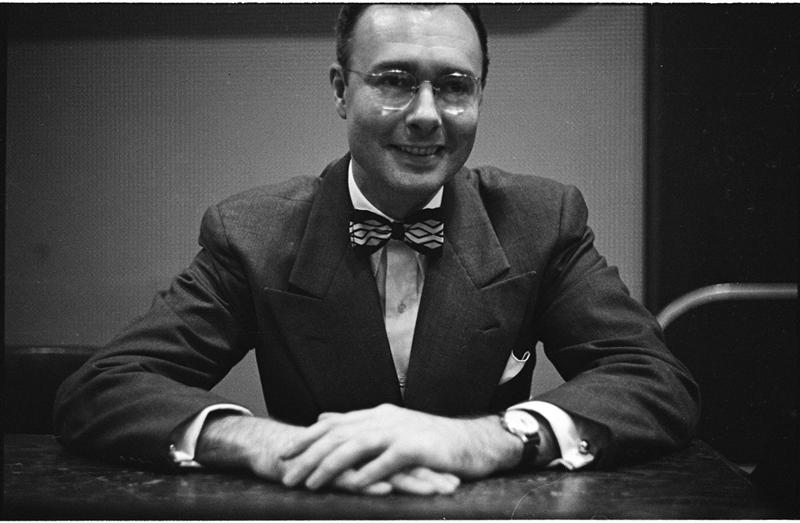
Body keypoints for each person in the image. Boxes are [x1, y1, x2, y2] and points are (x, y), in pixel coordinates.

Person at [54, 4, 699, 496]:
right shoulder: (251, 234)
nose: (426, 114)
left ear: (480, 94)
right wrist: (259, 441)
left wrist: (487, 439)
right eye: (394, 80)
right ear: (341, 90)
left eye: (455, 86)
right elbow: (104, 388)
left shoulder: (541, 220)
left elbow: (655, 381)